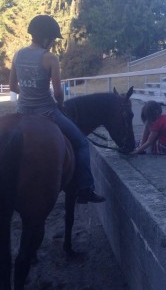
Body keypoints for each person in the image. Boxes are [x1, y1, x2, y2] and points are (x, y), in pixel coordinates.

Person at [9, 14, 105, 203]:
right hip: (46, 111)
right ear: (45, 37)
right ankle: (86, 188)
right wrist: (60, 106)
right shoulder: (50, 58)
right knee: (81, 144)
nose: (53, 43)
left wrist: (27, 93)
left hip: (22, 111)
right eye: (52, 38)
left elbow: (13, 86)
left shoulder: (18, 54)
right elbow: (59, 93)